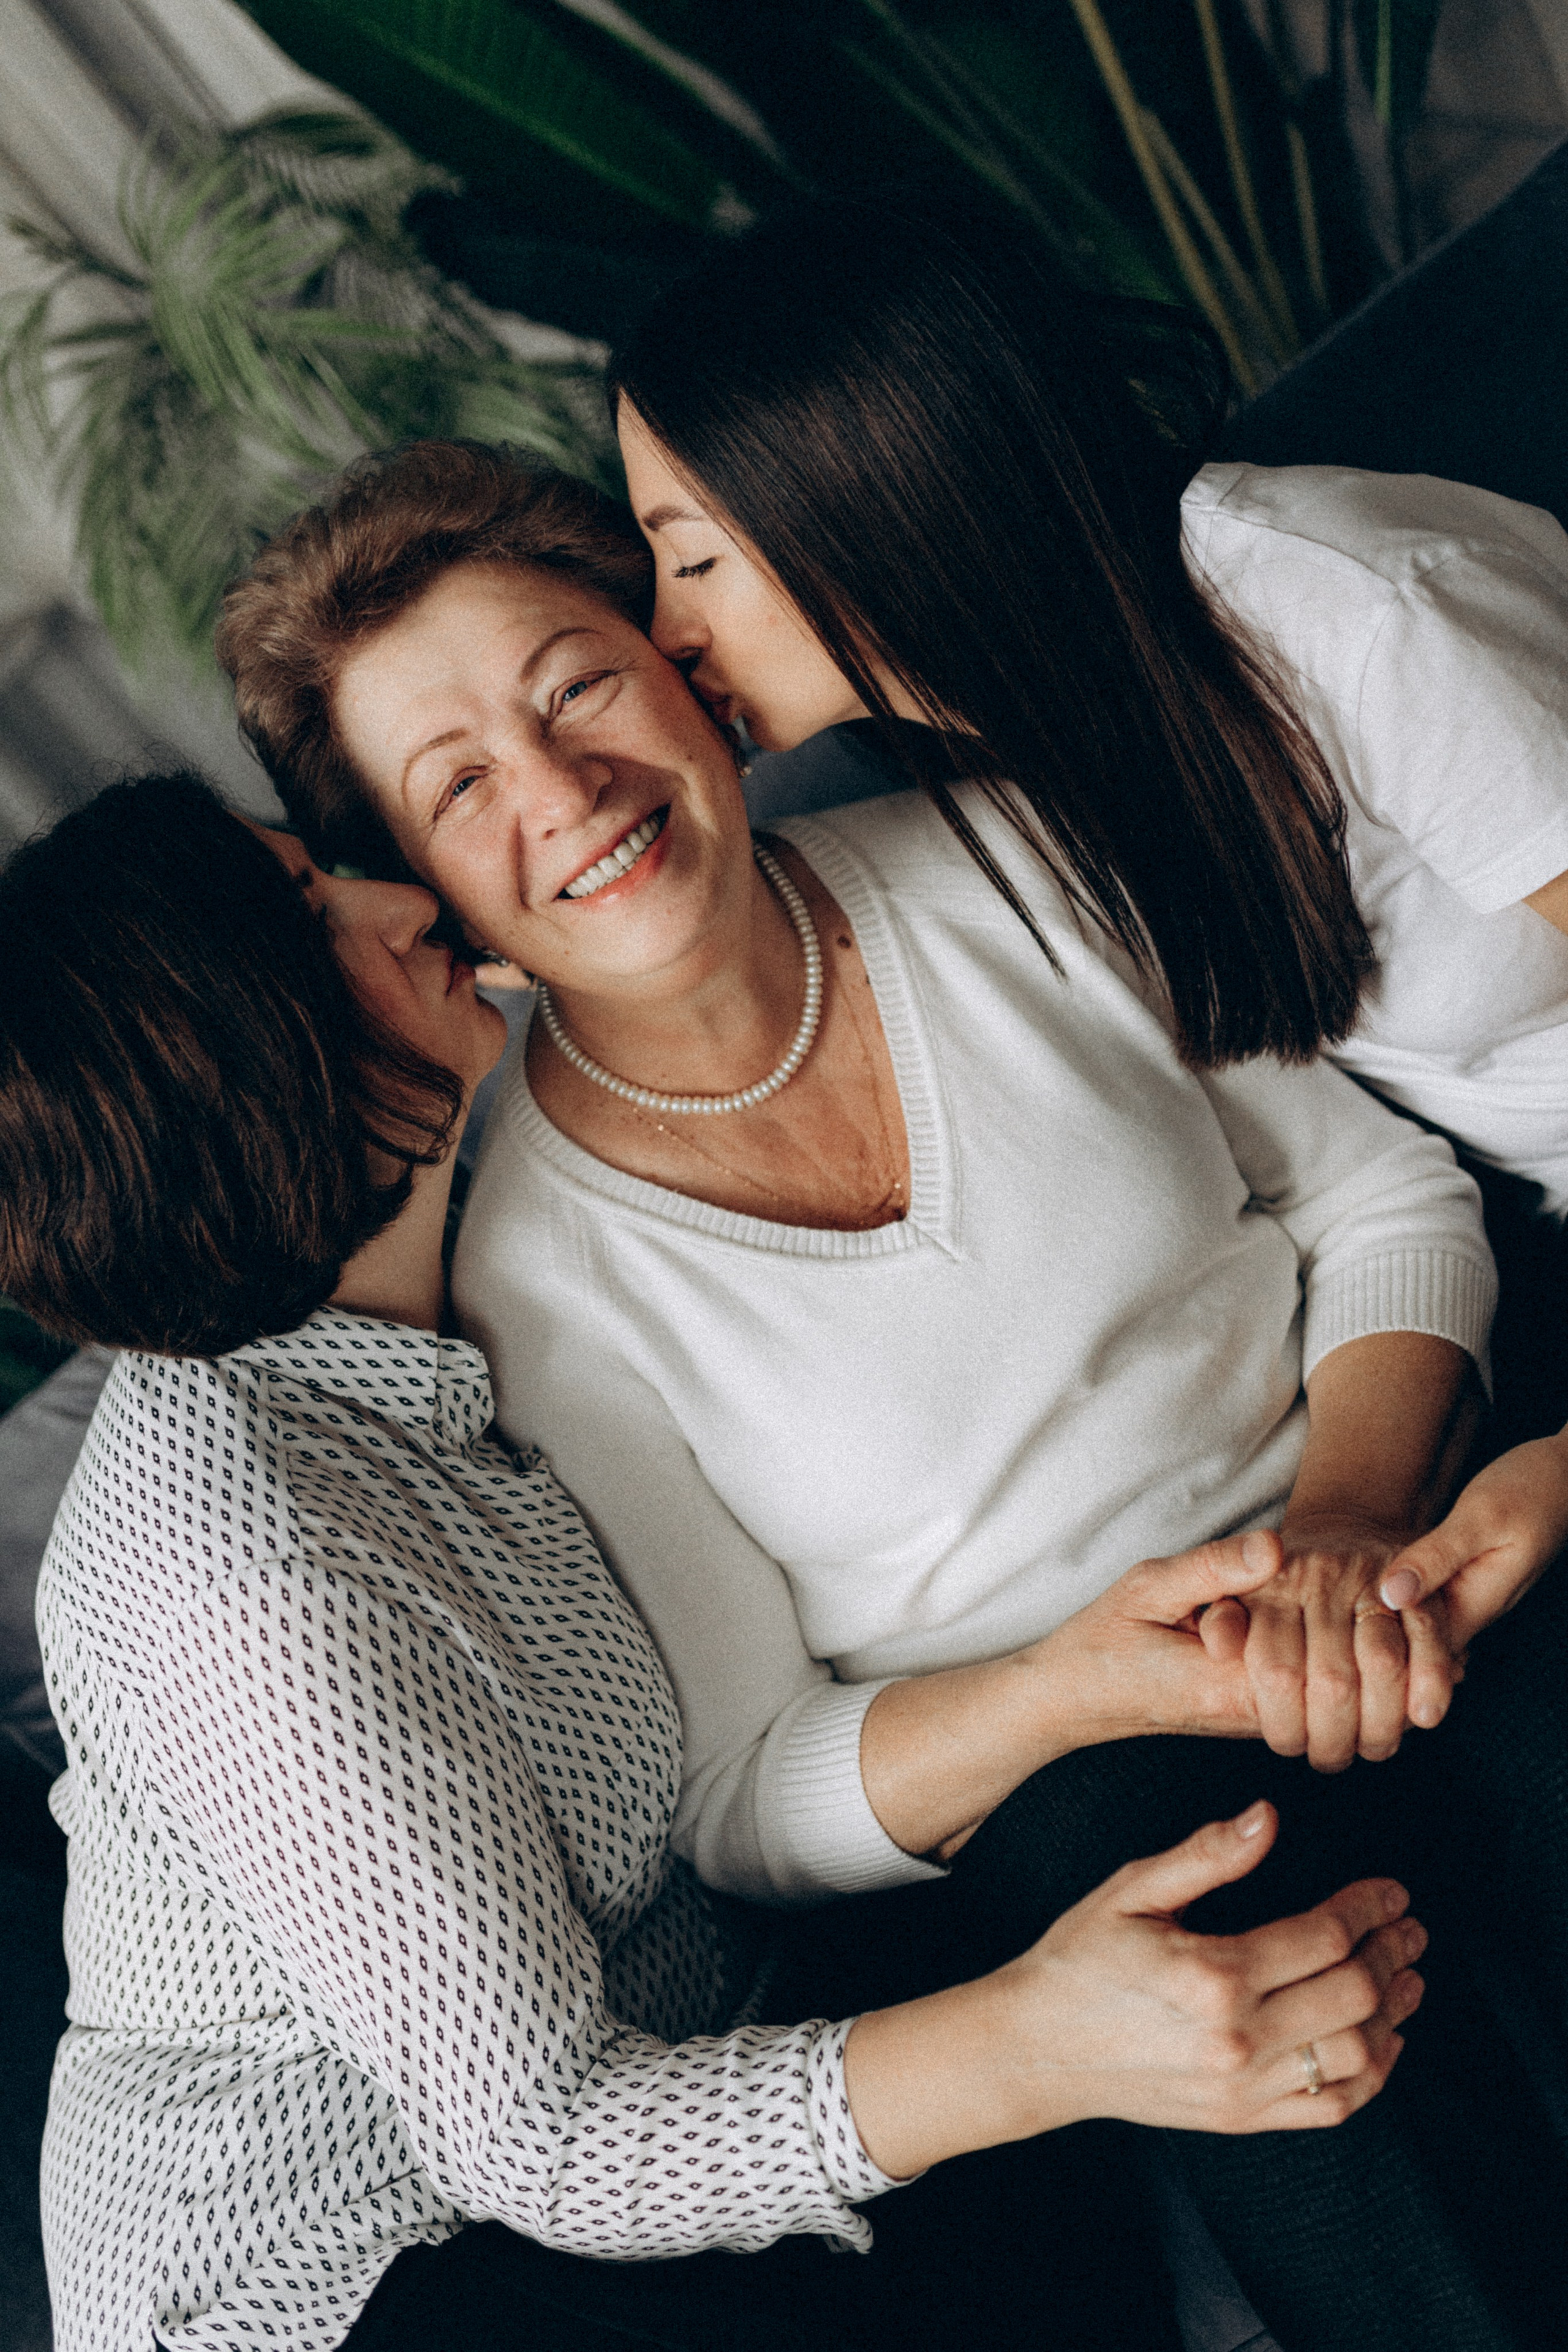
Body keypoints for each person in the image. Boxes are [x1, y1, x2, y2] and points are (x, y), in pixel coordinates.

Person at [218, 442, 1568, 2350]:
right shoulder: (517, 1271)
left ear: (684, 665)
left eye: (576, 684)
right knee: (1212, 1939)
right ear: (421, 886)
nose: (562, 791)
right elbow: (747, 1788)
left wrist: (1349, 1520)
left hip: (1384, 1547)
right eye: (458, 785)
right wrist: (1090, 1679)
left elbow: (1377, 1190)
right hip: (1074, 1768)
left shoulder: (1014, 854)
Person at [0, 772, 1428, 2352]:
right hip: (373, 2266)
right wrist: (1043, 2045)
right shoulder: (245, 1564)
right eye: (302, 915)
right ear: (223, 1056)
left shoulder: (463, 1312)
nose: (402, 902)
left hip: (698, 2065)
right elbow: (542, 2138)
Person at [601, 191, 1568, 1602]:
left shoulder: (1349, 617)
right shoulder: (1022, 769)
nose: (668, 634)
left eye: (691, 557)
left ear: (865, 495)